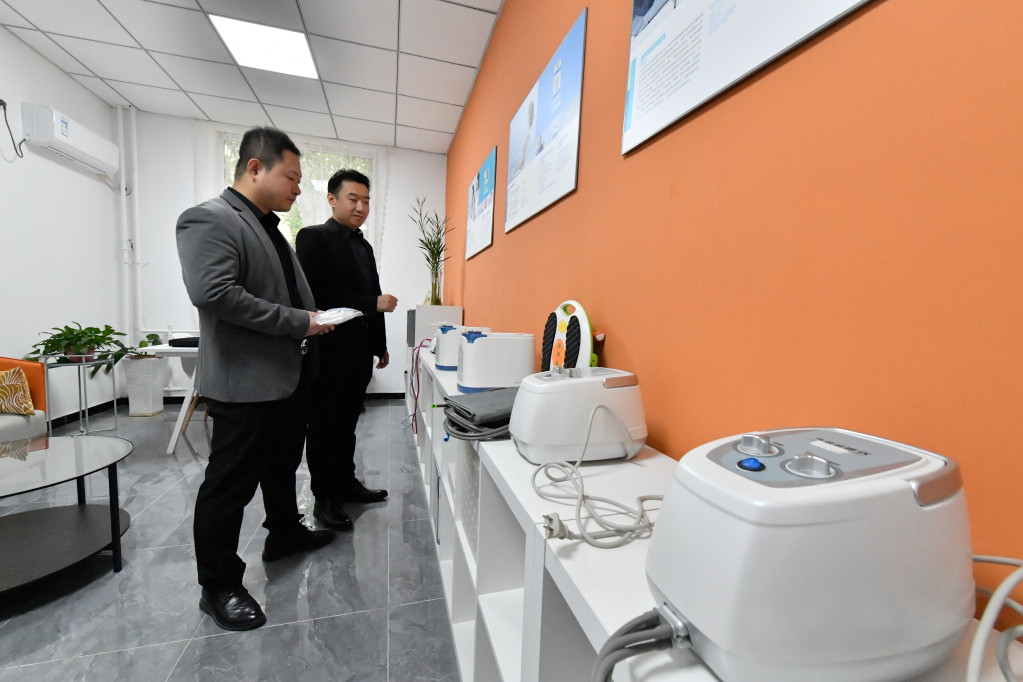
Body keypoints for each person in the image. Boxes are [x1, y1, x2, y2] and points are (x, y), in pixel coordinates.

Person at [176, 127, 336, 631]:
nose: (298, 188)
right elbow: (215, 293)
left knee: (282, 466)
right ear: (254, 168)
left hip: (289, 376)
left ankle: (284, 532)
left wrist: (315, 322)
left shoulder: (269, 227)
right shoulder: (209, 218)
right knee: (229, 486)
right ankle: (218, 585)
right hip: (246, 381)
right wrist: (301, 322)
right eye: (291, 177)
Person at [296, 169, 396, 531]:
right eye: (353, 199)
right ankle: (324, 497)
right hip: (329, 351)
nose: (360, 207)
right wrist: (372, 303)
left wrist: (380, 345)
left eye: (366, 201)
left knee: (349, 423)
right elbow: (317, 295)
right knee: (324, 424)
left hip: (360, 351)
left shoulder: (363, 245)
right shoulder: (313, 238)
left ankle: (346, 482)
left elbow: (374, 292)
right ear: (332, 199)